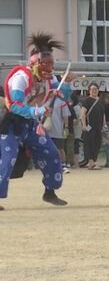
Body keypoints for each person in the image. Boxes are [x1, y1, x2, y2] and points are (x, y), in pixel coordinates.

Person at [0, 33, 73, 210]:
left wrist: (66, 84)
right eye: (45, 64)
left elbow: (64, 96)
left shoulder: (49, 79)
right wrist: (37, 111)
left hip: (31, 124)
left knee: (51, 153)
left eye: (51, 64)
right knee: (7, 159)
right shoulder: (21, 77)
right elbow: (14, 105)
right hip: (11, 124)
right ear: (35, 63)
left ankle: (50, 191)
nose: (49, 68)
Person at [80, 83, 105, 171]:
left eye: (96, 89)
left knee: (97, 144)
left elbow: (103, 114)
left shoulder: (100, 101)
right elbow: (82, 114)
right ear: (89, 90)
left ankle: (94, 161)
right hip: (89, 126)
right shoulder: (87, 101)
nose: (94, 91)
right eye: (92, 89)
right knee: (89, 144)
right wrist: (84, 125)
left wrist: (104, 125)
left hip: (98, 127)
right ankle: (91, 162)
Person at [46, 95, 71, 171]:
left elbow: (65, 115)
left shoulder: (62, 103)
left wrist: (66, 127)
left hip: (58, 129)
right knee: (49, 148)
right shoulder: (44, 101)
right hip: (46, 129)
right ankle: (52, 164)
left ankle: (62, 164)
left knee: (60, 148)